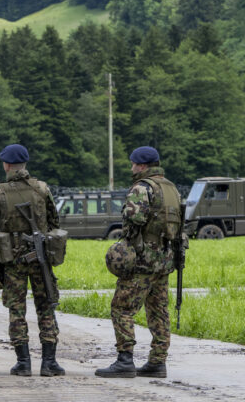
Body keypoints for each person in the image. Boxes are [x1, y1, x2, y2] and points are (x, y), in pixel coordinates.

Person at [96, 146, 181, 379]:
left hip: (141, 262)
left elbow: (134, 220)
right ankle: (157, 362)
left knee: (122, 308)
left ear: (142, 166)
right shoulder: (171, 188)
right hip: (164, 261)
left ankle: (125, 360)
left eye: (134, 164)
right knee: (159, 310)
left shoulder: (142, 188)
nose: (132, 168)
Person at [0, 144, 64, 376]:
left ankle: (23, 362)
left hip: (13, 262)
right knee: (46, 305)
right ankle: (49, 362)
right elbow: (54, 221)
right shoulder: (42, 189)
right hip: (41, 259)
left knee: (16, 309)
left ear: (6, 165)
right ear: (24, 164)